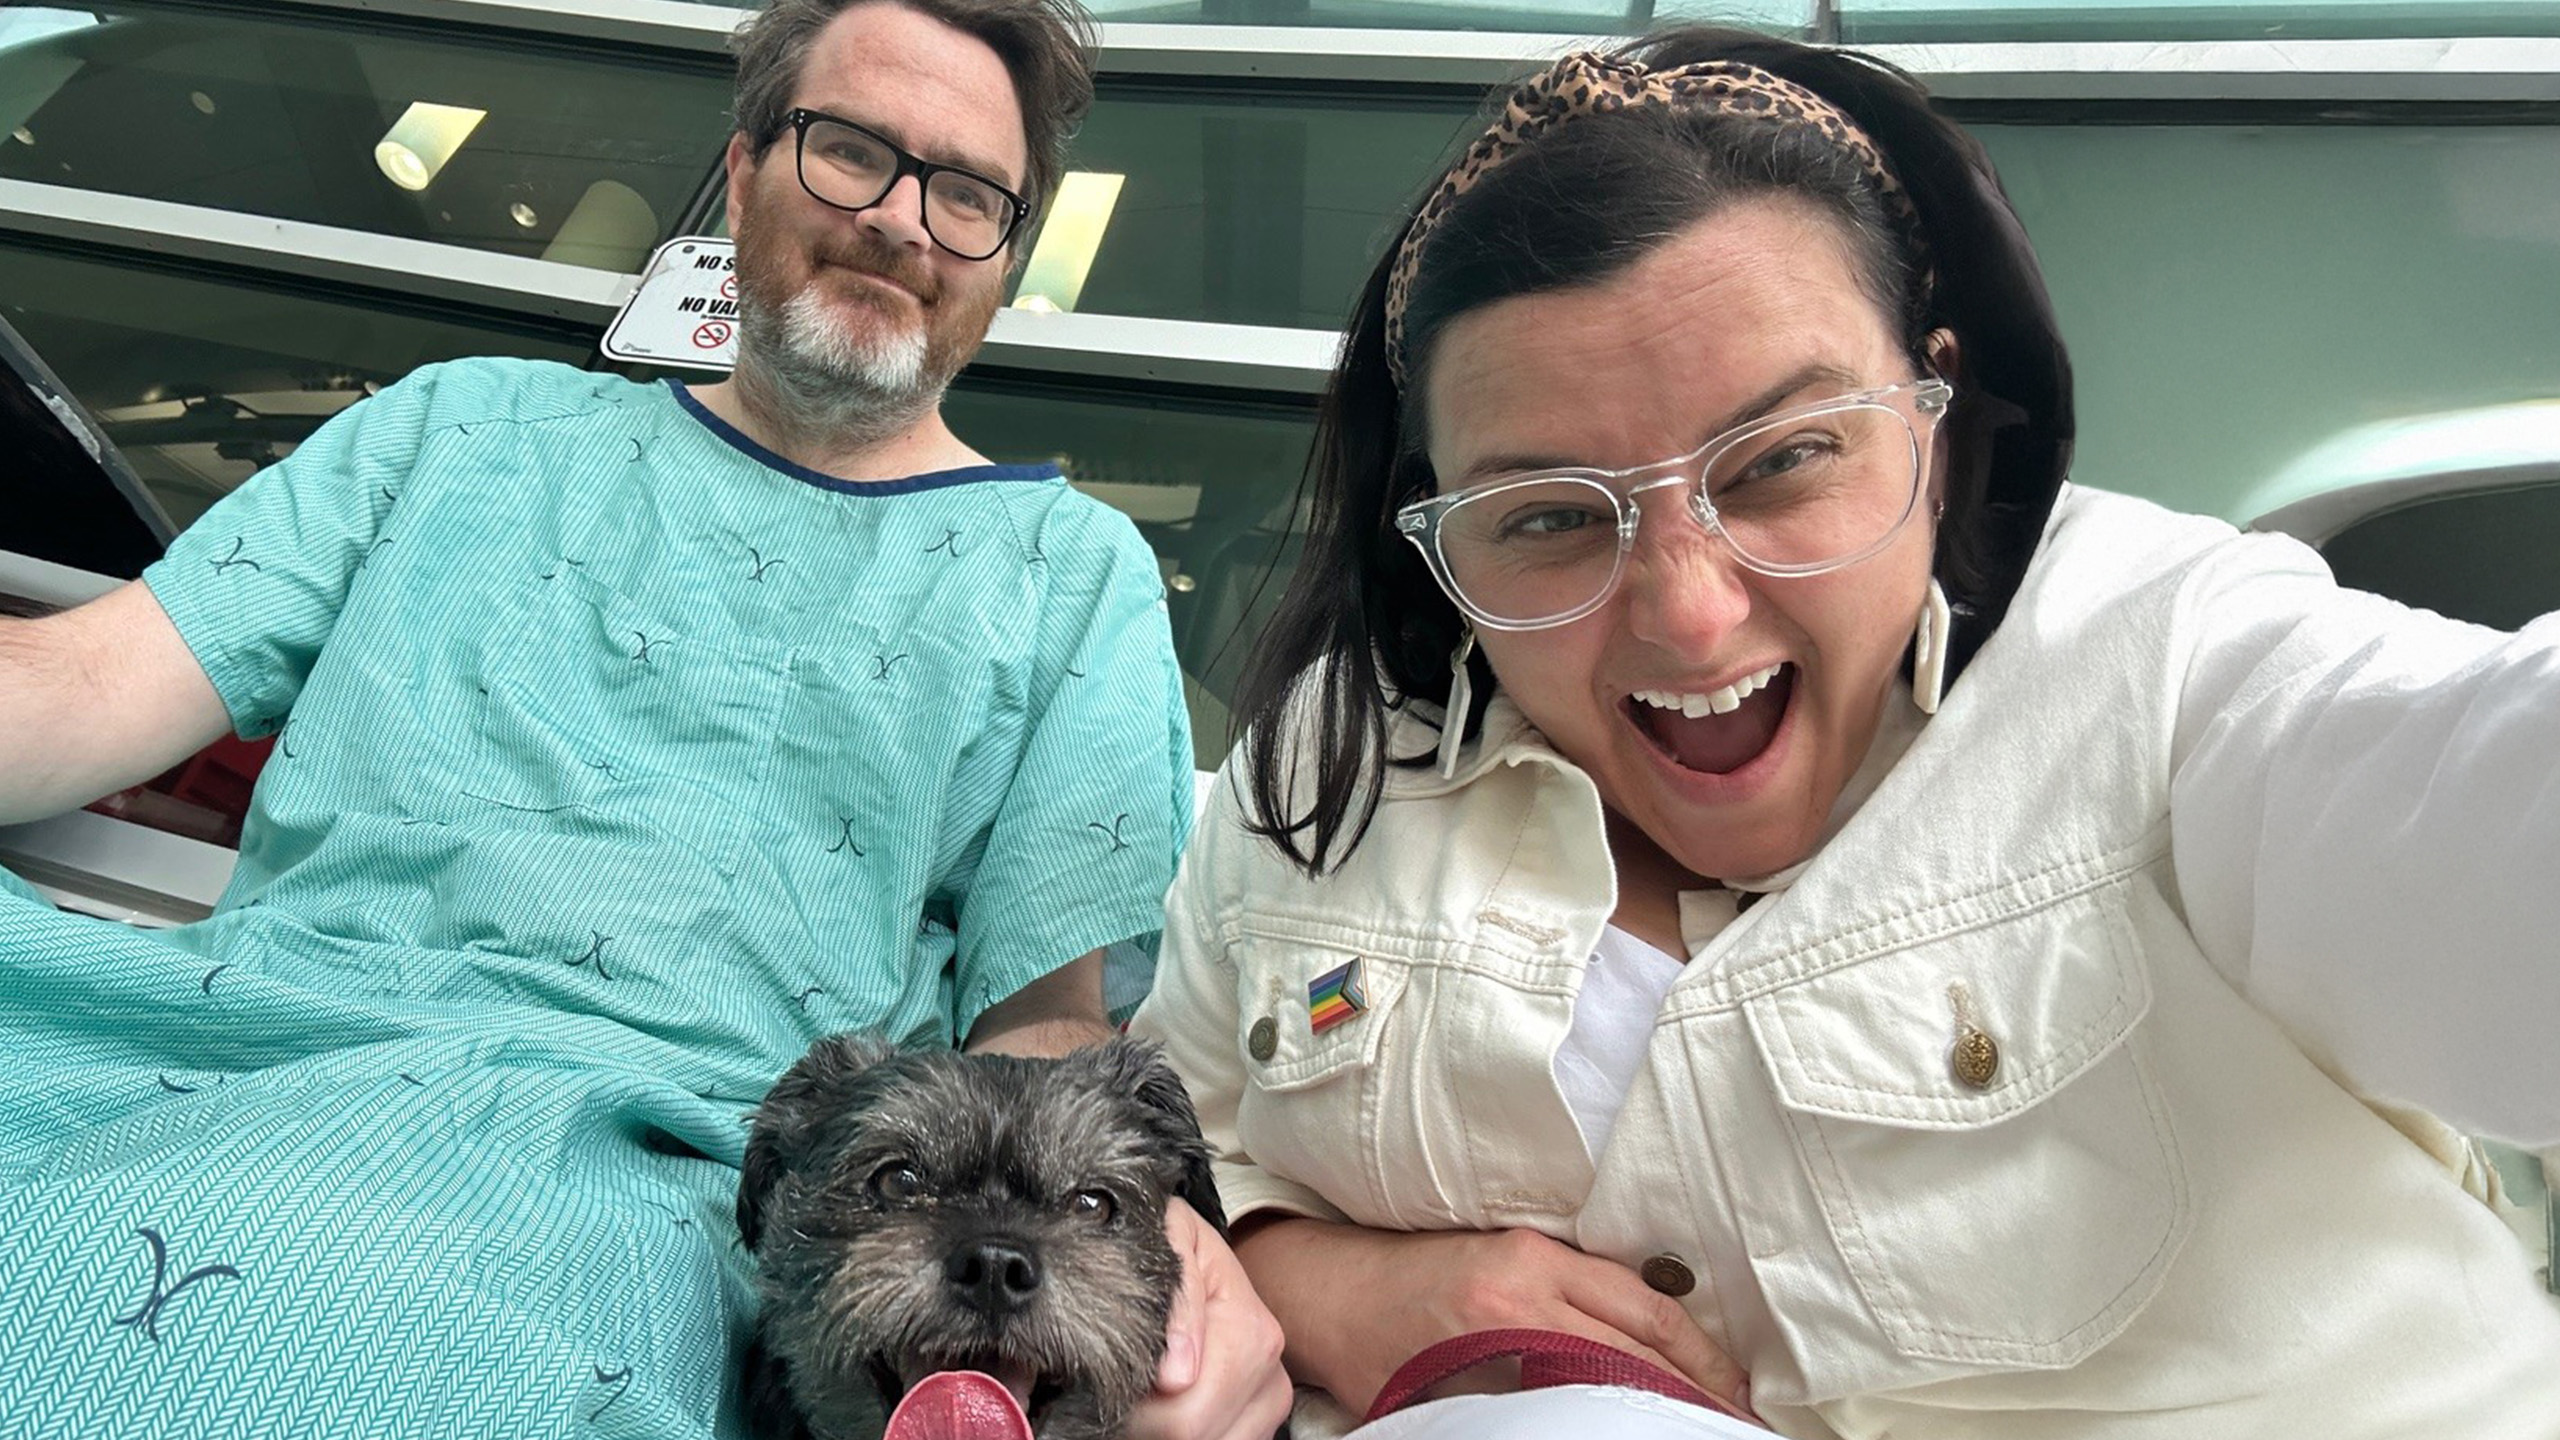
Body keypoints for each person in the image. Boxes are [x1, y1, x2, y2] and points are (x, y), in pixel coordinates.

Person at [1131, 25, 2560, 1440]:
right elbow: (1171, 1147)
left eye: (1785, 461)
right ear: (1432, 527)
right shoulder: (1323, 776)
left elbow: (2472, 808)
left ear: (1933, 417)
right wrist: (1325, 1280)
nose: (1688, 619)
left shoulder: (2174, 664)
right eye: (1550, 519)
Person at [0, 1, 1283, 1436]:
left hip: (637, 1165)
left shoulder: (1072, 576)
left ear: (1005, 263)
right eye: (852, 150)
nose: (903, 221)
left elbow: (1039, 1033)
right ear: (741, 175)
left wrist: (1148, 1243)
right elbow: (77, 687)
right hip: (218, 1047)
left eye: (968, 193)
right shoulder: (457, 429)